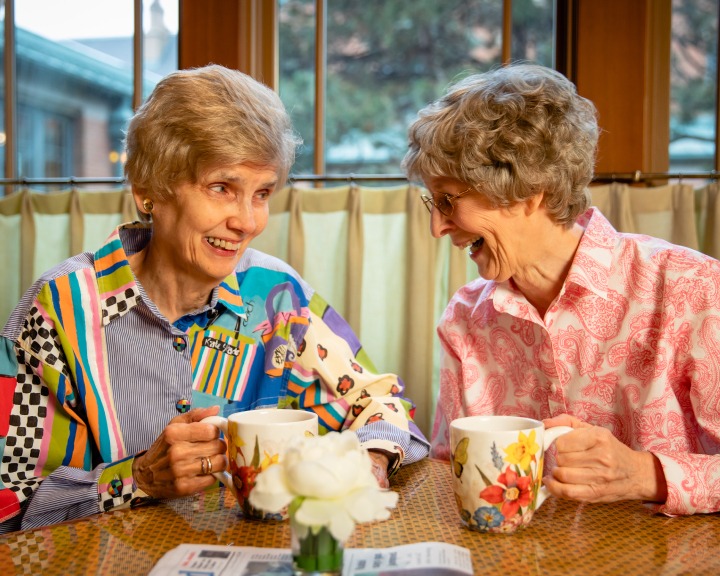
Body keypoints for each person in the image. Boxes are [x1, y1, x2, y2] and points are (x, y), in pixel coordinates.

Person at [0, 65, 429, 533]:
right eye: (222, 188)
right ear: (149, 189)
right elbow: (11, 502)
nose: (246, 221)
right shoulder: (61, 307)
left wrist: (371, 460)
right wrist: (139, 478)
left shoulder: (274, 296)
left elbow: (382, 405)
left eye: (261, 193)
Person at [401, 63, 720, 516]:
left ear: (529, 192)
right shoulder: (465, 318)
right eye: (433, 203)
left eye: (450, 200)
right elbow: (449, 468)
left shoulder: (692, 289)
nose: (437, 227)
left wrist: (644, 474)